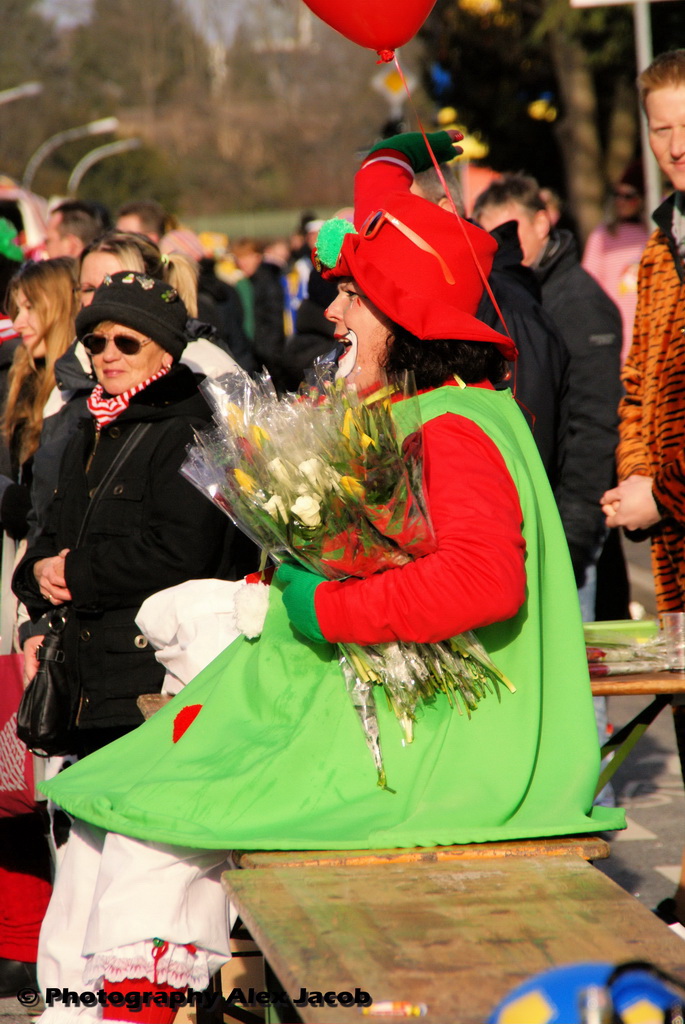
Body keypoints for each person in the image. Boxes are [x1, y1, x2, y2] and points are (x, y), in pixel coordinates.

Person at [29, 131, 624, 1023]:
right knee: (144, 806)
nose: (333, 314)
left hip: (450, 759)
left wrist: (321, 607)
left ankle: (119, 1011)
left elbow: (483, 582)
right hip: (424, 730)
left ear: (406, 316)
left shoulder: (450, 425)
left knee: (164, 812)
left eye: (354, 295)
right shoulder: (438, 410)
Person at [12, 272, 254, 761]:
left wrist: (75, 572)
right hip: (84, 688)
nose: (108, 354)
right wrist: (38, 574)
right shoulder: (89, 430)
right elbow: (50, 534)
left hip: (153, 685)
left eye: (126, 341)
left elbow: (184, 552)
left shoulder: (188, 431)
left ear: (165, 353)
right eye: (95, 341)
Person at [600, 48, 685, 932]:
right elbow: (640, 385)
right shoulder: (661, 245)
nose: (675, 145)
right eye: (660, 129)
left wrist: (666, 493)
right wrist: (635, 473)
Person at [473, 173, 623, 620]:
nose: (502, 246)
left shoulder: (577, 302)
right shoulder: (515, 298)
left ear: (542, 223)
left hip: (572, 532)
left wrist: (574, 541)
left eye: (510, 231)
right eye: (490, 236)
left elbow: (595, 426)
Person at [582, 162, 650, 364]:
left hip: (647, 333)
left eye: (629, 196)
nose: (621, 201)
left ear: (642, 199)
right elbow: (589, 285)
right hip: (614, 333)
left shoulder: (652, 234)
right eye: (617, 195)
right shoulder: (603, 235)